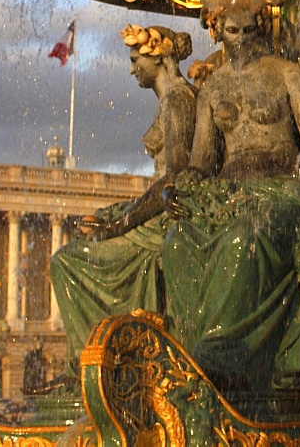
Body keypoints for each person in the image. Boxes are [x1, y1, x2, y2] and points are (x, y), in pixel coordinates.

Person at [158, 0, 300, 393]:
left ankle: (226, 356)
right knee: (177, 243)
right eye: (232, 31)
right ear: (218, 32)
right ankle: (187, 356)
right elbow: (202, 162)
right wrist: (177, 189)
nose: (240, 40)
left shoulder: (289, 74)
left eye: (249, 31)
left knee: (244, 237)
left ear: (263, 28)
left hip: (286, 191)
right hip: (231, 194)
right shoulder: (213, 88)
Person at [50, 24, 196, 370]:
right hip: (160, 214)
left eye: (135, 60)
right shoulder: (169, 101)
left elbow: (175, 179)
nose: (132, 69)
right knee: (83, 242)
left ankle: (95, 364)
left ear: (157, 57)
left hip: (169, 221)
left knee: (66, 263)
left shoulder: (178, 98)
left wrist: (119, 223)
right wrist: (116, 212)